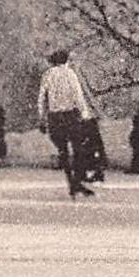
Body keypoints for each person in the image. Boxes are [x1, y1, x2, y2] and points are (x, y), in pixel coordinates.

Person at [36, 49, 94, 198]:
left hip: (54, 116)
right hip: (70, 115)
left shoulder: (47, 75)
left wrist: (41, 117)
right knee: (78, 148)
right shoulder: (70, 74)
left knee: (63, 151)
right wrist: (85, 114)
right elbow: (78, 96)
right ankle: (77, 180)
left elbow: (42, 97)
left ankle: (71, 182)